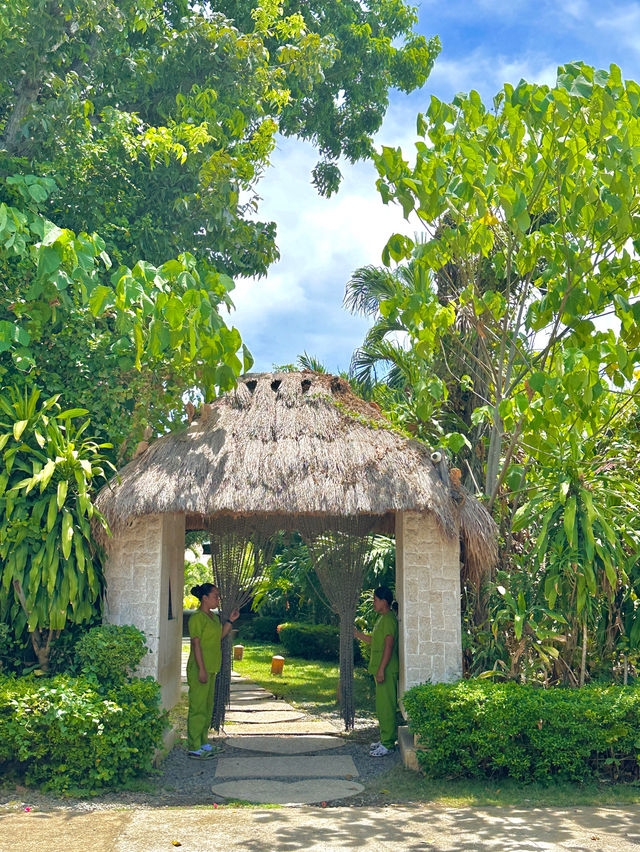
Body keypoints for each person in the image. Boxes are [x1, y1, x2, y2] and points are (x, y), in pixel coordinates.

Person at [186, 583, 239, 758]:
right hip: (200, 669)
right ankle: (193, 746)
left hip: (212, 668)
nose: (218, 599)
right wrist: (201, 669)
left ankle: (203, 742)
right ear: (205, 598)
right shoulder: (197, 618)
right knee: (198, 707)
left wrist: (230, 621)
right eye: (215, 596)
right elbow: (196, 644)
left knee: (208, 707)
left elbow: (219, 636)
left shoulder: (213, 618)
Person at [354, 586, 399, 756]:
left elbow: (388, 646)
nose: (373, 602)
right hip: (382, 669)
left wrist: (381, 670)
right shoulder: (382, 618)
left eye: (375, 600)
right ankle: (385, 738)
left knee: (386, 707)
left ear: (384, 601)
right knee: (381, 706)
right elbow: (375, 641)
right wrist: (357, 634)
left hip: (386, 670)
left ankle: (388, 744)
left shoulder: (388, 620)